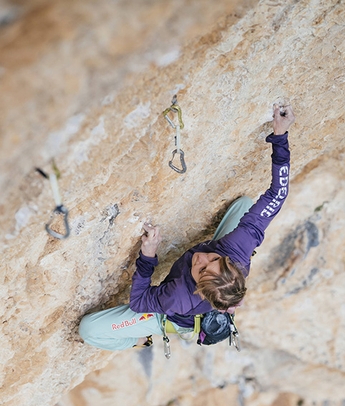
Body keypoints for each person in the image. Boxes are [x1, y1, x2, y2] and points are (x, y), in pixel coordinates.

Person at [79, 103, 295, 351]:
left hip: (171, 317)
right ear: (229, 263)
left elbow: (139, 301)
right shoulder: (238, 248)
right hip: (223, 272)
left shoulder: (178, 297)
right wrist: (281, 135)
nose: (201, 258)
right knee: (245, 205)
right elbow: (278, 194)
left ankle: (138, 340)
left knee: (89, 330)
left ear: (200, 290)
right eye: (213, 259)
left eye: (201, 269)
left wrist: (148, 255)